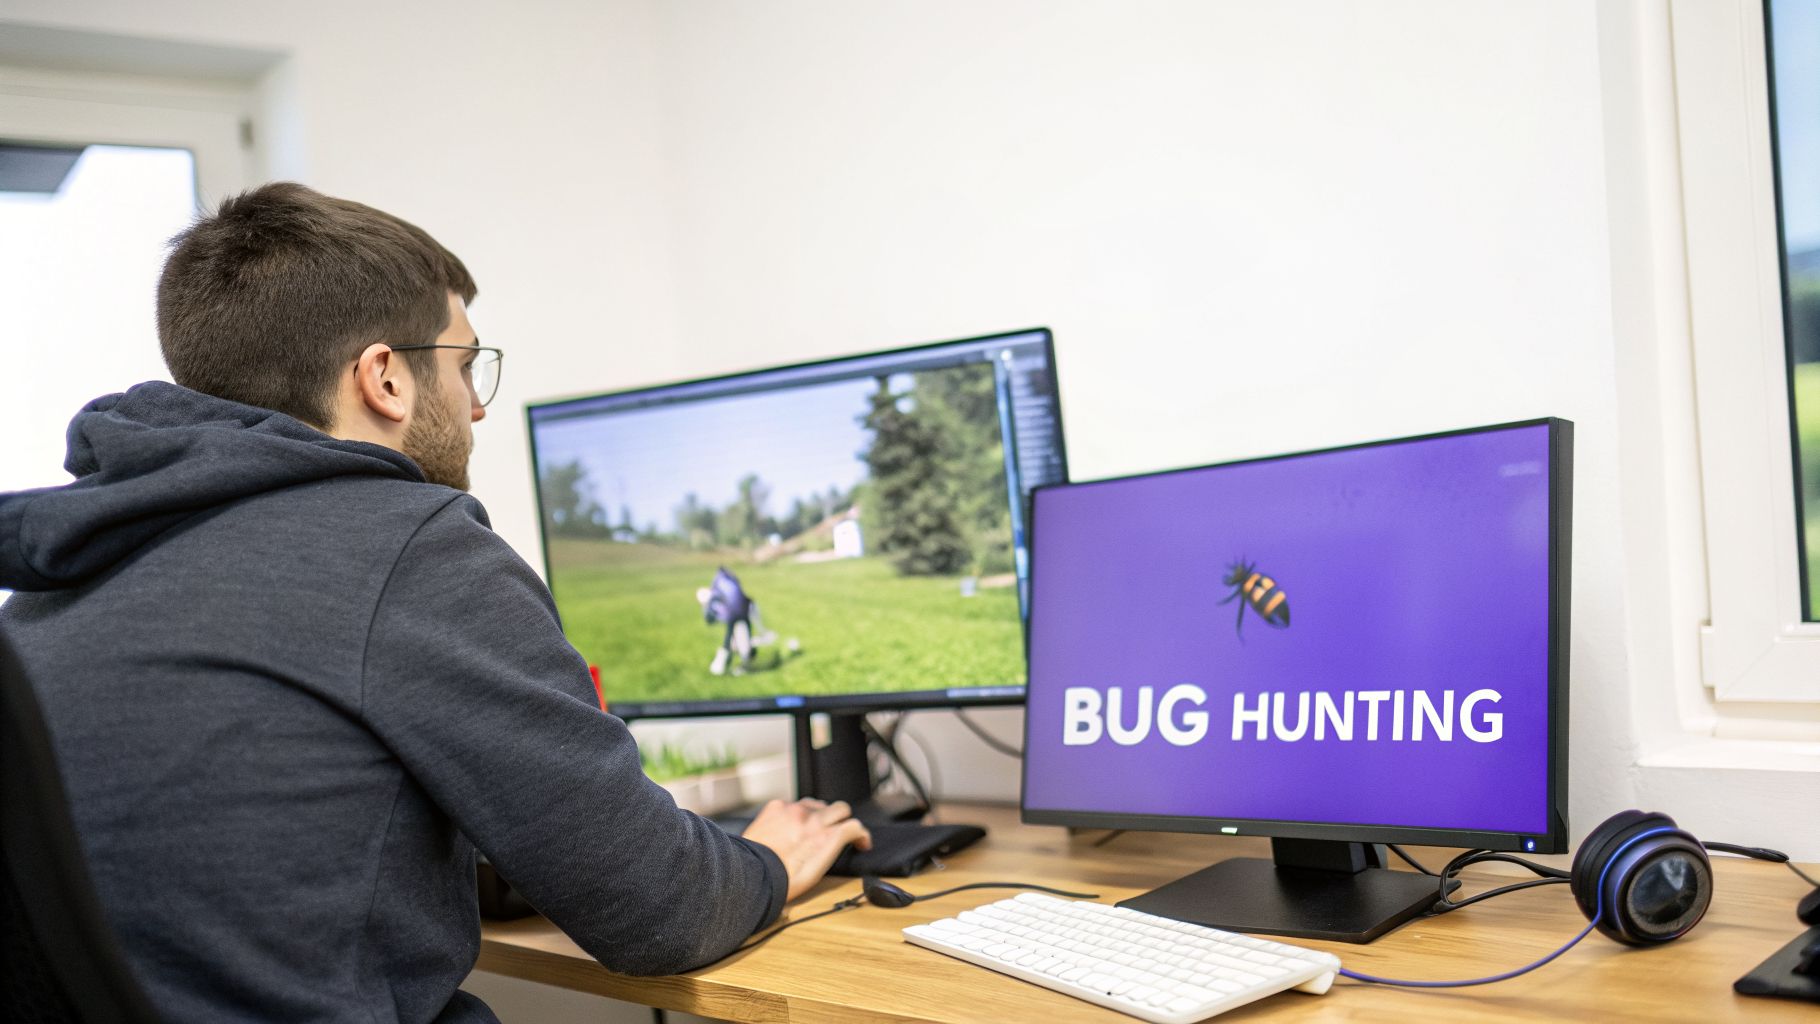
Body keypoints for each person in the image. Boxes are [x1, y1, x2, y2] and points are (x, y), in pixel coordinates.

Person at [0, 182, 869, 1023]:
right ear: (385, 378)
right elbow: (660, 911)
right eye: (464, 364)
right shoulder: (407, 544)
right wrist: (766, 860)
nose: (478, 404)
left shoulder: (61, 571)